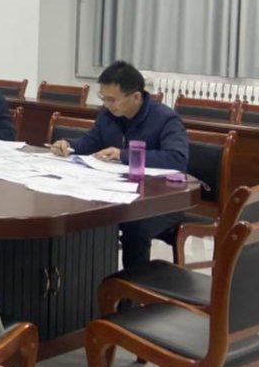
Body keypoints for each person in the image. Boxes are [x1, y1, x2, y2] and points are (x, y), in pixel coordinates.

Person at [50, 60, 189, 267]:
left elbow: (177, 159)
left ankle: (132, 285)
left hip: (160, 200)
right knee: (84, 213)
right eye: (103, 98)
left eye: (112, 99)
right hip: (119, 192)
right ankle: (91, 278)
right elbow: (92, 141)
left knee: (134, 224)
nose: (107, 105)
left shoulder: (165, 119)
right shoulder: (108, 114)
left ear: (136, 97)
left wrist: (124, 155)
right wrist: (69, 145)